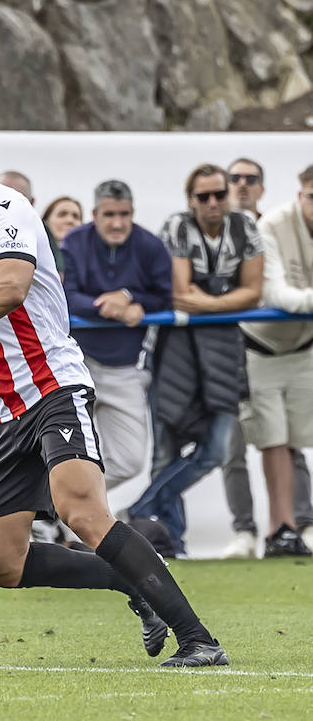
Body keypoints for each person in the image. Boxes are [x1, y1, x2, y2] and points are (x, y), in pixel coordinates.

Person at [0, 106, 226, 668]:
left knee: (81, 509)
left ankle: (199, 639)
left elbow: (10, 288)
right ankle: (135, 583)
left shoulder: (5, 208)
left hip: (52, 388)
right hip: (2, 410)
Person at [128, 163, 263, 558]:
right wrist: (227, 301)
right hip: (176, 351)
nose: (213, 202)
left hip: (224, 349)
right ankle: (170, 542)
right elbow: (182, 292)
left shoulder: (245, 227)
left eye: (219, 194)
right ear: (191, 200)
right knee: (165, 451)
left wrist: (213, 304)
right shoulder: (177, 226)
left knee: (217, 450)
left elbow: (254, 292)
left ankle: (140, 508)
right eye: (204, 196)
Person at [60, 180, 172, 491]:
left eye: (124, 214)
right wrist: (107, 306)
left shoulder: (149, 245)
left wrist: (131, 299)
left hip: (125, 367)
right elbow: (65, 294)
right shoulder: (74, 241)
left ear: (133, 212)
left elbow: (164, 295)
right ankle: (60, 515)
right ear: (95, 213)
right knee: (59, 451)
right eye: (109, 214)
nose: (117, 222)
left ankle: (62, 502)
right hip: (75, 364)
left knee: (129, 460)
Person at [237, 166, 313, 557]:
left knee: (297, 440)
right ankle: (279, 529)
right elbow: (277, 294)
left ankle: (297, 527)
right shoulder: (271, 225)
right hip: (261, 348)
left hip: (305, 348)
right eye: (312, 196)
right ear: (300, 194)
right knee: (273, 440)